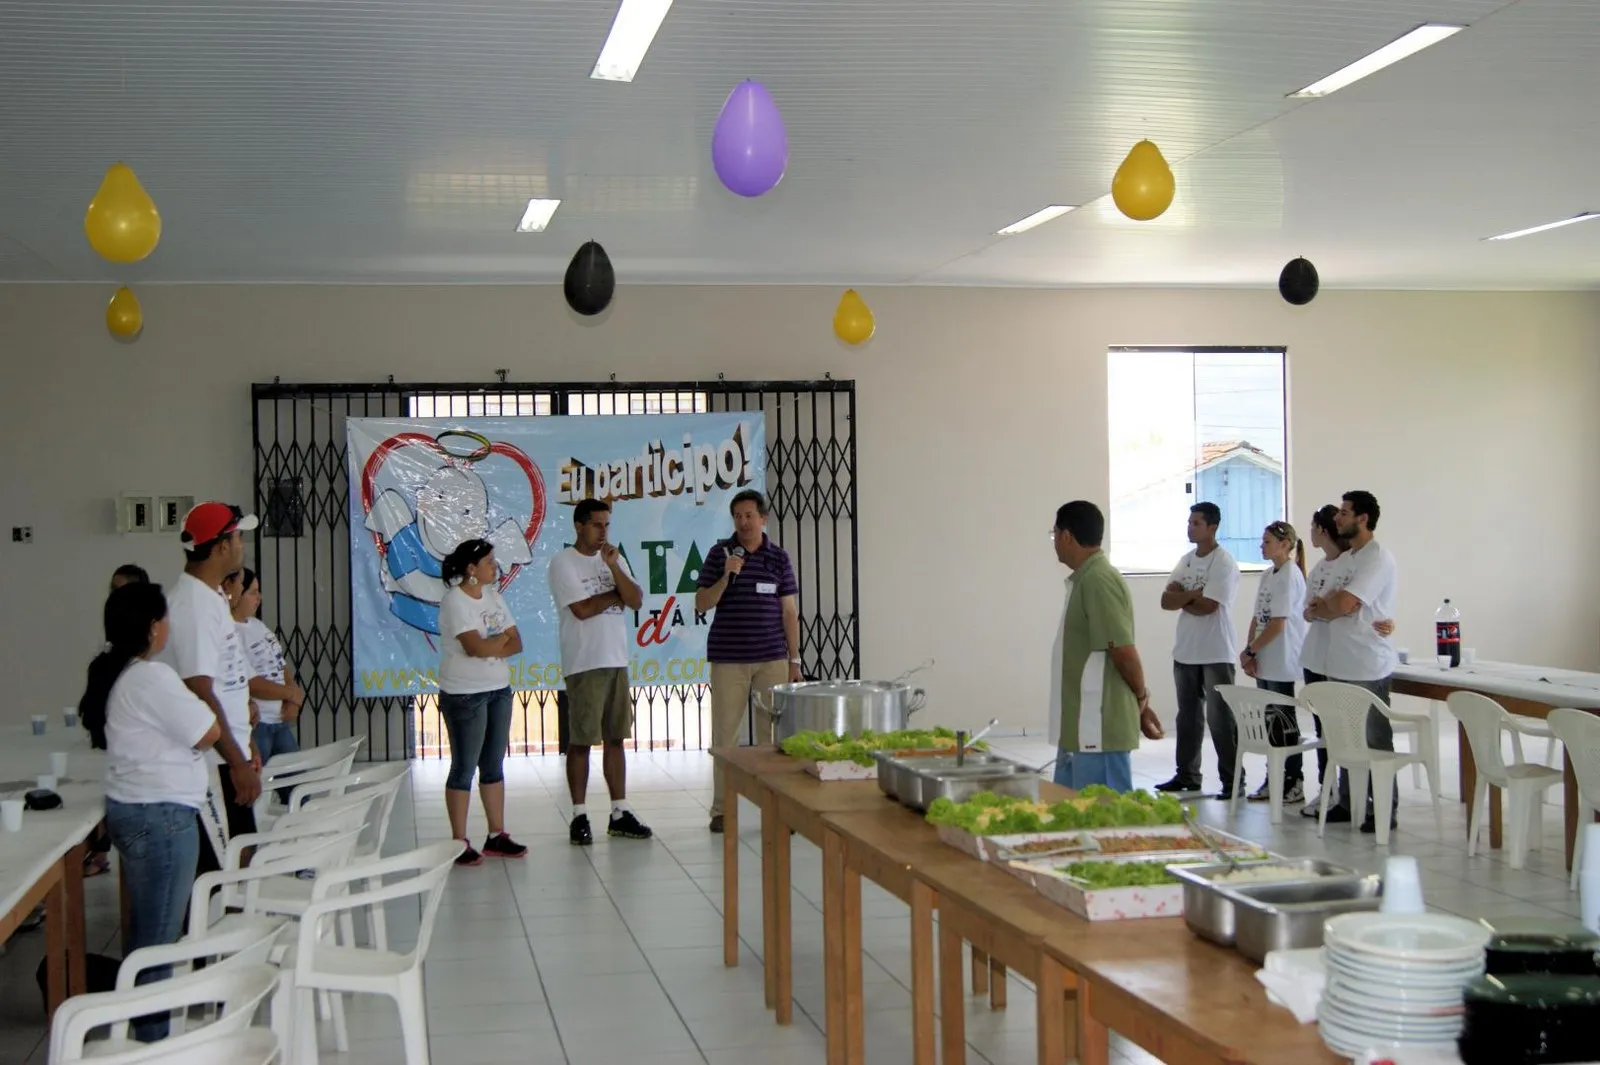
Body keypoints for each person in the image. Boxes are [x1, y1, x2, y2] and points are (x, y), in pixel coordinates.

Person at [84, 582, 221, 1041]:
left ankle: (141, 1032)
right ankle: (151, 1042)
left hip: (143, 812)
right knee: (157, 942)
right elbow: (207, 731)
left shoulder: (126, 674)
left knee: (148, 931)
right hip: (161, 818)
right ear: (152, 628)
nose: (169, 626)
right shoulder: (151, 678)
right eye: (165, 619)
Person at [154, 502, 262, 872]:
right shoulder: (193, 605)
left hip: (226, 753)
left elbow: (225, 679)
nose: (242, 546)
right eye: (238, 538)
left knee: (242, 858)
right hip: (212, 763)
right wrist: (236, 762)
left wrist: (245, 742)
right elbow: (198, 689)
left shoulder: (211, 595)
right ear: (220, 547)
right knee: (226, 870)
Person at [695, 489, 801, 834]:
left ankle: (778, 810)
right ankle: (722, 810)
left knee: (772, 738)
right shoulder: (719, 554)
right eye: (738, 516)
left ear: (763, 519)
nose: (743, 522)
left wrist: (794, 659)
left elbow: (789, 612)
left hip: (772, 658)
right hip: (729, 659)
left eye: (749, 515)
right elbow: (701, 603)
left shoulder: (778, 558)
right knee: (726, 736)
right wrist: (726, 576)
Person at [548, 500, 652, 845]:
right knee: (581, 741)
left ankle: (619, 811)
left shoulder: (612, 558)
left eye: (607, 524)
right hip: (585, 663)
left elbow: (635, 599)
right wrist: (614, 594)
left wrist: (615, 570)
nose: (603, 532)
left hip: (616, 660)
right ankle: (579, 815)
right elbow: (582, 609)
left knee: (616, 738)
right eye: (596, 525)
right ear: (579, 526)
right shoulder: (563, 562)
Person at [1048, 501, 1160, 791]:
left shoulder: (1098, 579)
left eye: (1054, 534)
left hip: (1097, 727)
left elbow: (1122, 650)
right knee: (1070, 811)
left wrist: (1141, 700)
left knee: (1104, 814)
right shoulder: (1086, 578)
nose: (1054, 541)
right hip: (1079, 726)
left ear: (1066, 536)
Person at [1309, 490, 1400, 833]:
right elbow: (1317, 607)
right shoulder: (1347, 558)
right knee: (1345, 739)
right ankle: (1349, 802)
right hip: (1340, 661)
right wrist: (1335, 605)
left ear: (1362, 519)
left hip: (1366, 664)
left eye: (1344, 513)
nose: (1337, 518)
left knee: (1375, 740)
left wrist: (1336, 605)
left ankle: (1384, 809)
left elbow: (1344, 604)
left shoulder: (1377, 557)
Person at [436, 539, 528, 867]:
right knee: (464, 766)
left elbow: (516, 642)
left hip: (498, 689)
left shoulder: (494, 596)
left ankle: (496, 834)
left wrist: (494, 643)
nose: (495, 566)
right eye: (489, 561)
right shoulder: (455, 600)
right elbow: (474, 648)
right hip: (465, 693)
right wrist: (496, 640)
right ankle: (459, 841)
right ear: (471, 569)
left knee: (493, 764)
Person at [1156, 502, 1242, 799]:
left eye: (1196, 523)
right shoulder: (1187, 560)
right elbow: (1166, 601)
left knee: (1221, 720)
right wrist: (1192, 595)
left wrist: (1184, 597)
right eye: (1189, 522)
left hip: (1215, 651)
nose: (1190, 528)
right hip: (1186, 651)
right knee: (1187, 718)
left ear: (1212, 527)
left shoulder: (1223, 562)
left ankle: (1233, 781)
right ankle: (1187, 775)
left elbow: (1209, 606)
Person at [1239, 521, 1309, 805]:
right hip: (1265, 657)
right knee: (1270, 722)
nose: (1262, 545)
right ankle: (1274, 778)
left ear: (1284, 545)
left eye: (1267, 541)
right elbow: (1258, 617)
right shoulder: (1268, 574)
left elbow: (1279, 623)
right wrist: (1250, 651)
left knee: (1284, 722)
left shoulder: (1291, 575)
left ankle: (1294, 780)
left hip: (1281, 658)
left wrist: (1252, 650)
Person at [231, 569, 305, 767]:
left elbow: (281, 665)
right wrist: (291, 694)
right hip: (258, 724)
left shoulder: (258, 625)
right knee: (257, 780)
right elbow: (250, 682)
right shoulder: (231, 632)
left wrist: (292, 699)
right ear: (237, 594)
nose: (259, 598)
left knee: (296, 780)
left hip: (279, 722)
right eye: (253, 592)